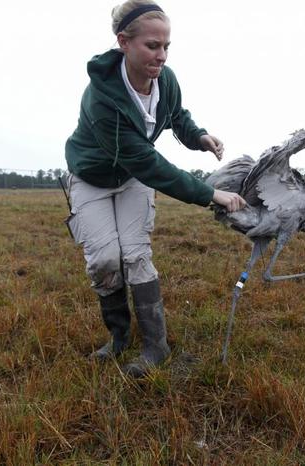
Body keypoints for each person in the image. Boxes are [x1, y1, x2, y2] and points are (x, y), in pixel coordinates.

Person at [64, 0, 246, 378]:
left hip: (132, 180)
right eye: (152, 46)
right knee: (104, 261)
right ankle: (118, 339)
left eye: (166, 47)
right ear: (123, 43)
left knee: (135, 255)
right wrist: (211, 194)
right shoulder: (100, 98)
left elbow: (176, 115)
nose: (160, 55)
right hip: (93, 179)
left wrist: (199, 137)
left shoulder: (165, 79)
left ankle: (155, 346)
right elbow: (148, 163)